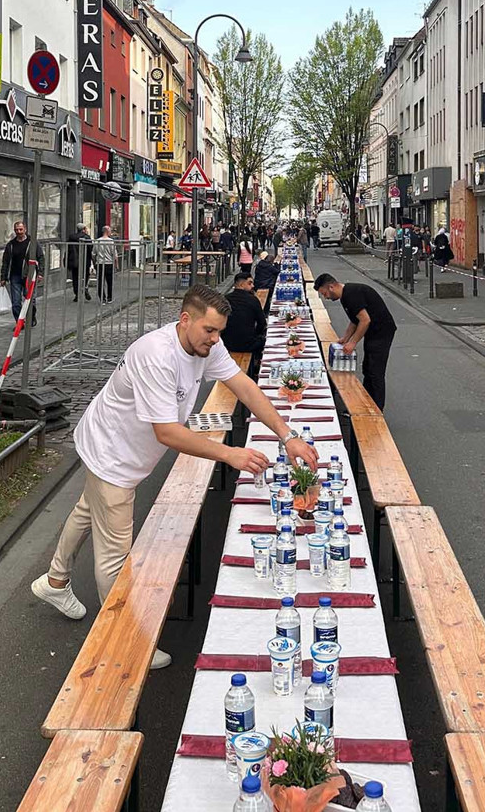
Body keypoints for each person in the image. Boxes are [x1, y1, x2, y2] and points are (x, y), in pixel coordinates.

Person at [31, 284, 318, 666]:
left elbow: (244, 387)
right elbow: (166, 432)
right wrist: (230, 454)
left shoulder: (205, 345)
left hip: (121, 448)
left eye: (219, 332)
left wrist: (287, 435)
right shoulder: (156, 356)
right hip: (112, 455)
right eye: (209, 330)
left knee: (88, 510)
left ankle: (54, 581)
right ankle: (125, 645)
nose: (215, 339)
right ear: (185, 320)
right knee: (116, 558)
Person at [314, 273, 397, 409]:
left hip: (381, 332)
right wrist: (345, 338)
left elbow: (365, 320)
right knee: (367, 368)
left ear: (331, 287)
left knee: (375, 372)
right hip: (372, 332)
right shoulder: (345, 296)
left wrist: (352, 342)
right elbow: (354, 321)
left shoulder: (351, 294)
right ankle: (367, 404)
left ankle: (377, 409)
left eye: (324, 293)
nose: (326, 297)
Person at [0, 221, 44, 323]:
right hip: (15, 276)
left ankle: (31, 318)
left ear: (25, 229)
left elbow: (41, 257)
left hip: (29, 275)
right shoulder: (11, 245)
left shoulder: (32, 243)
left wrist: (40, 273)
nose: (19, 232)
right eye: (16, 230)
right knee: (16, 302)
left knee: (30, 300)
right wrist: (3, 277)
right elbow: (5, 262)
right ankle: (20, 323)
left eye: (21, 229)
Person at [222, 270, 268, 362]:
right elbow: (262, 323)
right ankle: (256, 363)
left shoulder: (225, 299)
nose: (253, 286)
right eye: (249, 283)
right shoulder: (253, 300)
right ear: (242, 285)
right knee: (265, 340)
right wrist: (256, 334)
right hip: (248, 344)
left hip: (227, 343)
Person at [65, 223, 94, 302]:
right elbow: (90, 248)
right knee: (85, 276)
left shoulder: (71, 237)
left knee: (75, 278)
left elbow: (68, 249)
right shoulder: (86, 237)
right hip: (85, 261)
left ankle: (77, 294)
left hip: (74, 261)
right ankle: (84, 288)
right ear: (83, 229)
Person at [95, 225, 119, 302]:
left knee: (100, 282)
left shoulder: (97, 241)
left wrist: (95, 262)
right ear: (107, 231)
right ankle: (109, 298)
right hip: (109, 263)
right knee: (109, 282)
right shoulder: (111, 241)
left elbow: (94, 253)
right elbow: (114, 254)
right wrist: (116, 264)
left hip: (100, 263)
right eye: (110, 231)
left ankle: (102, 299)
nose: (111, 232)